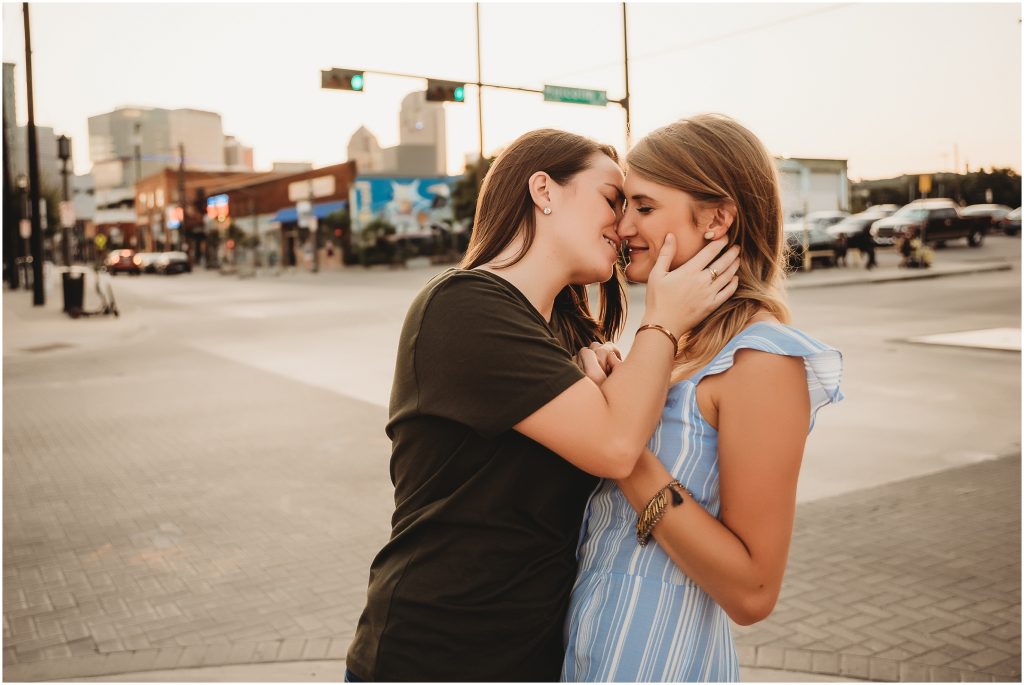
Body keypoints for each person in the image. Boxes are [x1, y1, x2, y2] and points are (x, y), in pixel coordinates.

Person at [345, 129, 741, 682]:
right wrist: (664, 321)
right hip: (438, 654)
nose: (625, 225)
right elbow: (614, 447)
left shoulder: (562, 334)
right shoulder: (462, 306)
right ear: (543, 190)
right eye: (612, 199)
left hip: (533, 657)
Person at [561, 114, 844, 682]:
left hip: (661, 665)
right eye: (623, 207)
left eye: (643, 207)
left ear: (718, 218)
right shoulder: (672, 343)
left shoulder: (760, 359)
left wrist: (621, 449)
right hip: (590, 654)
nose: (622, 226)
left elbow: (753, 591)